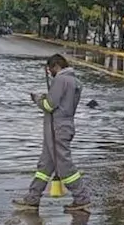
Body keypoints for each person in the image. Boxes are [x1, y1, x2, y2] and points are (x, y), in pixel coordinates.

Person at [13, 54, 90, 213]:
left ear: (56, 66)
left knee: (64, 166)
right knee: (45, 166)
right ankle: (32, 198)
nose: (50, 73)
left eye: (50, 70)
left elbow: (49, 105)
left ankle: (81, 197)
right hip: (61, 127)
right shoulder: (73, 80)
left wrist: (38, 99)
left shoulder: (61, 80)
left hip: (57, 129)